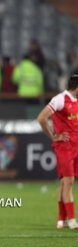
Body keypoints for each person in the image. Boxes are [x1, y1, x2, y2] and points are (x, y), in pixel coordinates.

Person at [37, 74, 78, 231]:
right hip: (65, 147)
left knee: (65, 183)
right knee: (69, 182)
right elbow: (41, 118)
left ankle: (62, 219)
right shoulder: (60, 99)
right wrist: (54, 137)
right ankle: (72, 220)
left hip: (76, 146)